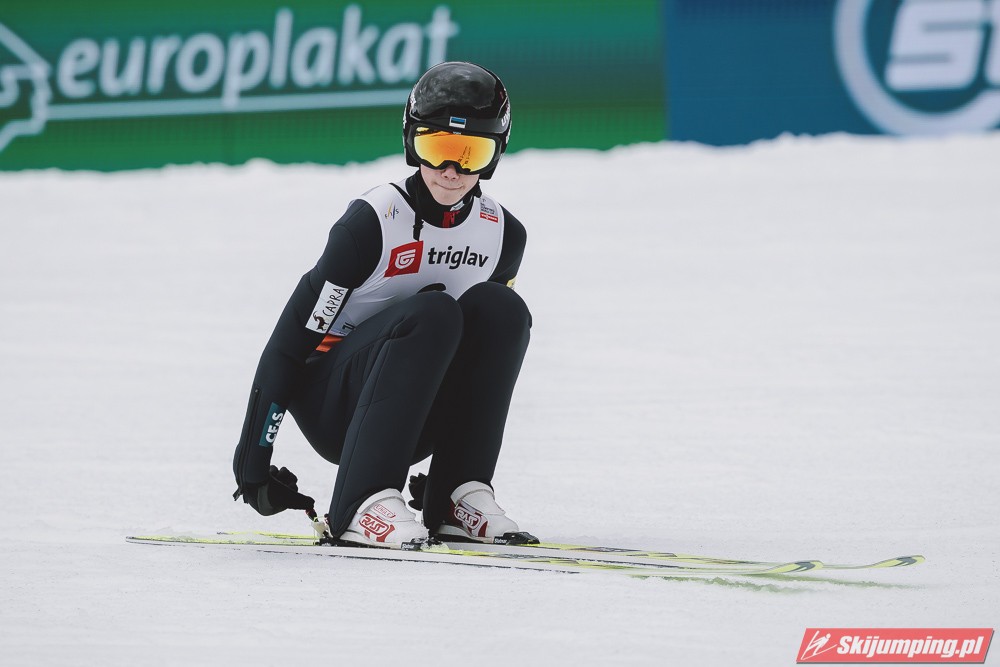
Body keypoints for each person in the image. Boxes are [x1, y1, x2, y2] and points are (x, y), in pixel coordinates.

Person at [231, 62, 534, 549]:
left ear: (496, 154)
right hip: (336, 406)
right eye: (436, 148)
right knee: (432, 312)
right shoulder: (372, 224)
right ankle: (361, 502)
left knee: (503, 310)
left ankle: (456, 495)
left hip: (416, 409)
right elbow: (289, 347)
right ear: (411, 142)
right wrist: (253, 463)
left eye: (471, 153)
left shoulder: (502, 235)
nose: (451, 170)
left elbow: (482, 356)